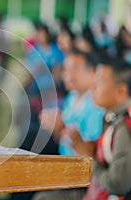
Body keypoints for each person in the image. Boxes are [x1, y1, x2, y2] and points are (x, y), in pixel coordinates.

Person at [32, 50, 105, 200]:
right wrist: (56, 128)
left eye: (75, 69)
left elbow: (91, 150)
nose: (67, 75)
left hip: (82, 176)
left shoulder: (97, 103)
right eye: (66, 69)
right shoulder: (72, 98)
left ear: (92, 72)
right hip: (66, 166)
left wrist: (64, 127)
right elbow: (62, 139)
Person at [80, 59, 131, 199]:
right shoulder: (112, 118)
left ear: (121, 91)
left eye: (100, 82)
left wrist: (89, 157)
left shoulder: (123, 127)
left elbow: (119, 185)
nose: (93, 88)